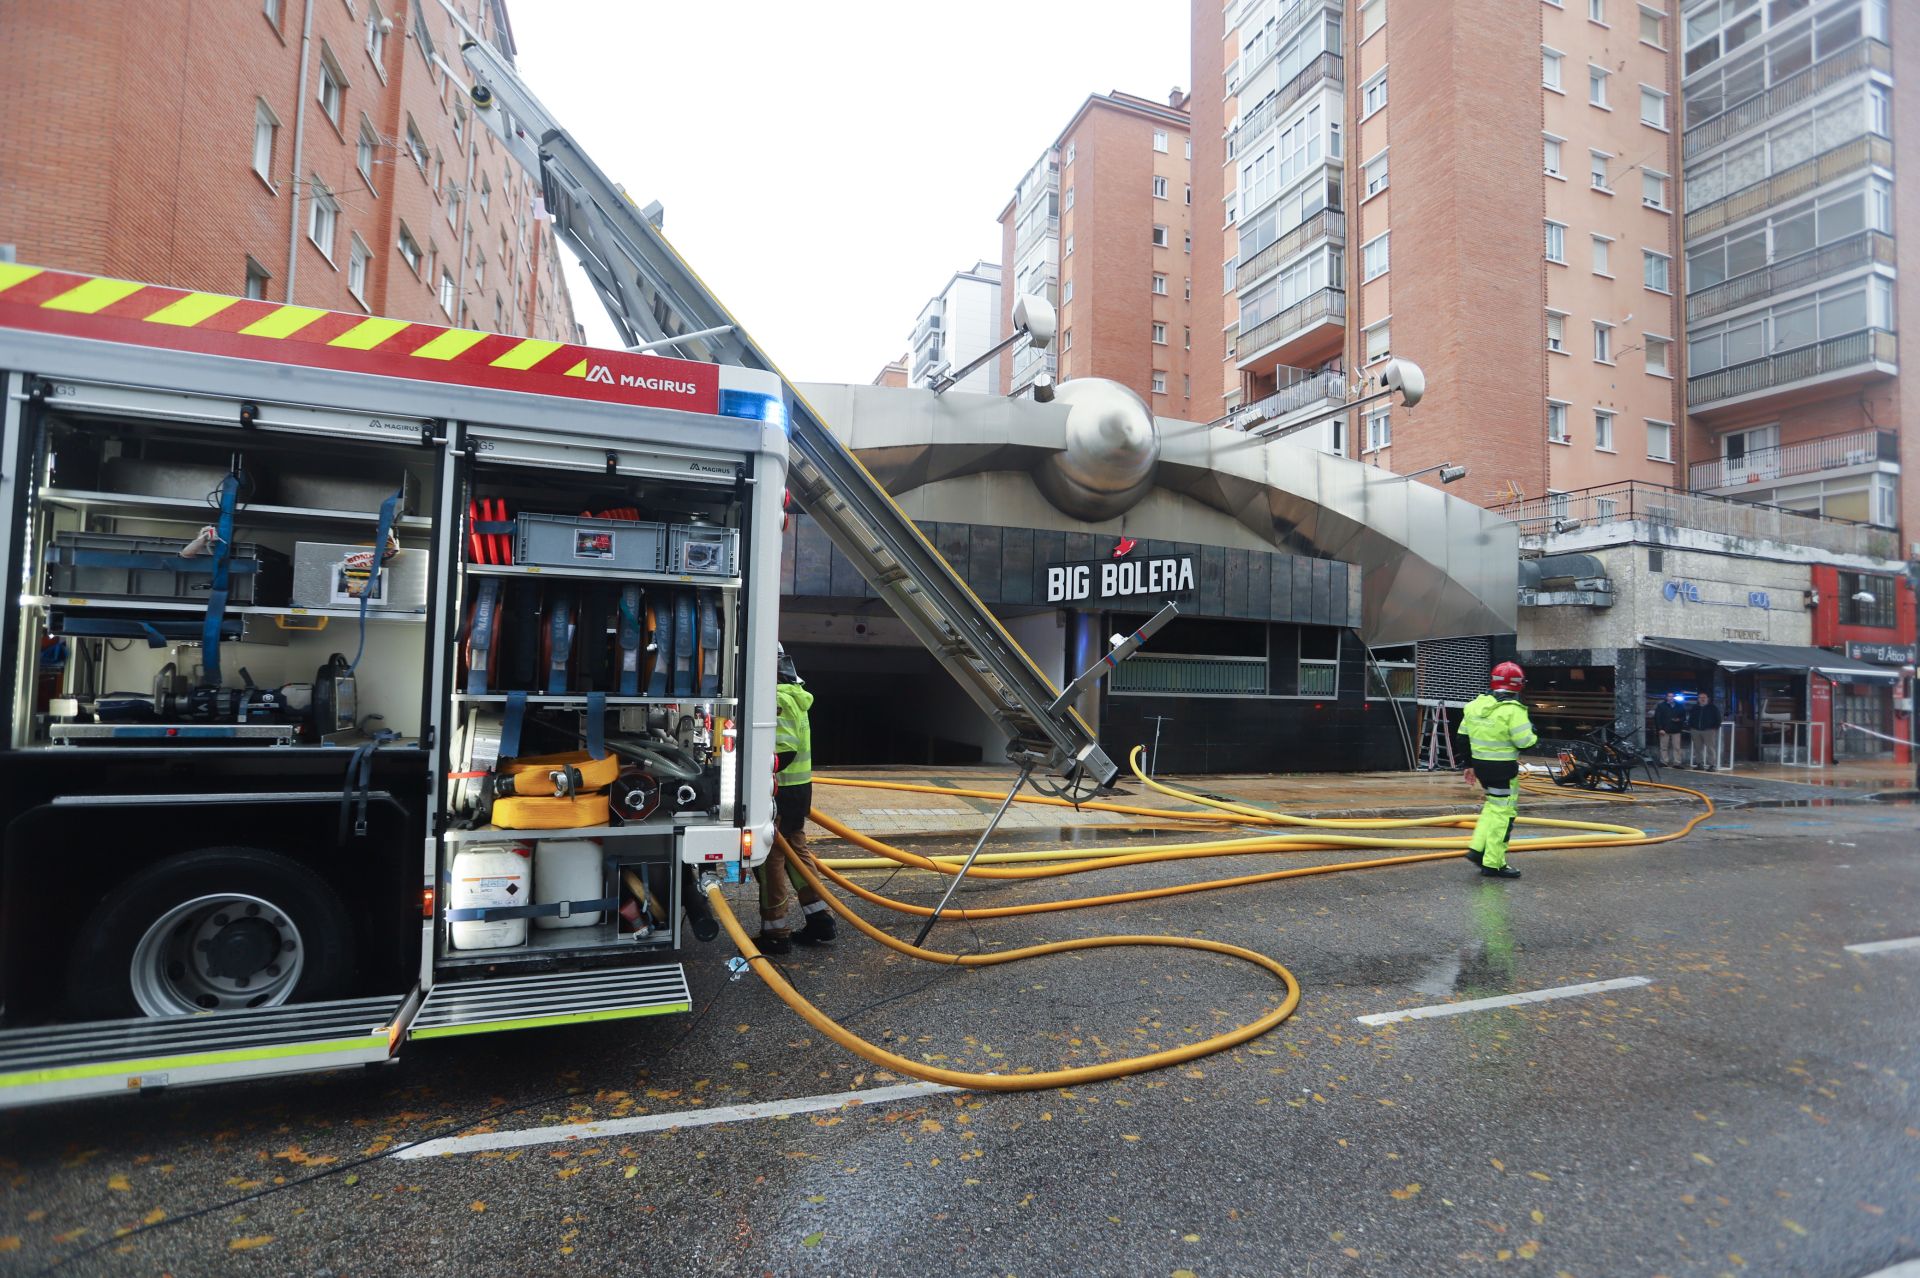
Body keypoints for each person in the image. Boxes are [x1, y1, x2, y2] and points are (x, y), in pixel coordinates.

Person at [756, 643, 836, 954]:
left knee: (770, 858)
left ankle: (775, 932)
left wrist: (749, 771)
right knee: (796, 853)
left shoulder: (777, 698)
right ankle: (820, 919)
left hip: (780, 790)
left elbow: (784, 751)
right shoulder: (793, 693)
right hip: (796, 789)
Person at [1458, 661, 1538, 880]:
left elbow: (1462, 737)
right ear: (1518, 684)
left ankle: (1477, 850)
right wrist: (1534, 733)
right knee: (1504, 815)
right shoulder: (1513, 710)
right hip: (1503, 770)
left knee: (1492, 807)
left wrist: (1469, 765)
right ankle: (1494, 863)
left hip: (1482, 768)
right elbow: (1525, 742)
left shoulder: (1475, 705)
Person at [1688, 691, 1723, 768]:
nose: (1702, 699)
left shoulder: (1713, 708)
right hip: (1696, 730)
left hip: (1709, 730)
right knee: (1697, 748)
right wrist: (1691, 727)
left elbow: (1718, 718)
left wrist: (1715, 728)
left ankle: (1712, 765)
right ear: (1698, 699)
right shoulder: (1695, 708)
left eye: (1704, 697)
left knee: (1710, 748)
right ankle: (1699, 764)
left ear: (1708, 699)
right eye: (1700, 697)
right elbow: (1690, 718)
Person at [1654, 694, 1689, 766]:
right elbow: (1658, 718)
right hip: (1664, 729)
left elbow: (1683, 717)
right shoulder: (1661, 706)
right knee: (1663, 747)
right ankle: (1664, 761)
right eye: (1669, 696)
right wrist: (1660, 728)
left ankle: (1677, 762)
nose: (1670, 698)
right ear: (1666, 697)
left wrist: (1679, 720)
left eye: (1672, 696)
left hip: (1676, 730)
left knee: (1677, 747)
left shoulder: (1679, 706)